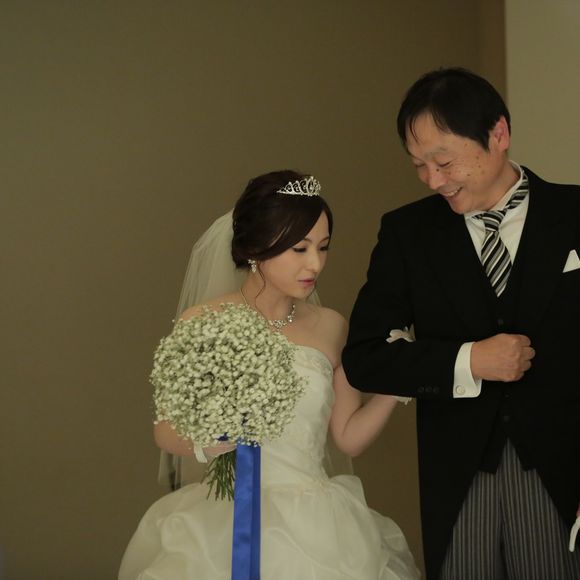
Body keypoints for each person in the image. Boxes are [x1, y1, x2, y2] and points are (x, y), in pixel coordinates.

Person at [119, 170, 420, 580]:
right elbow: (166, 431)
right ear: (256, 248)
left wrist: (398, 379)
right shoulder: (205, 321)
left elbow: (348, 436)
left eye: (323, 247)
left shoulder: (331, 326)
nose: (315, 263)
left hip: (316, 523)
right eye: (299, 248)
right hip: (225, 519)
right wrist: (215, 438)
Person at [342, 67, 580, 579]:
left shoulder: (577, 213)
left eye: (443, 161)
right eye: (419, 166)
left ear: (498, 134)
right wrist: (468, 360)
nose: (433, 180)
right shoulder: (407, 233)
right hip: (458, 483)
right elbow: (365, 357)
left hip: (566, 477)